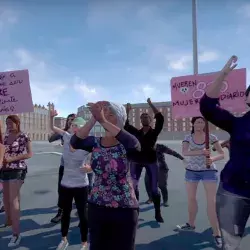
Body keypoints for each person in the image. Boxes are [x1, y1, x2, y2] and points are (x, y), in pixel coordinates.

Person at [70, 101, 140, 250]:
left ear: (120, 119)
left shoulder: (127, 142)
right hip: (97, 205)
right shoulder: (95, 142)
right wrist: (93, 119)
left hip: (125, 207)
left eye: (111, 114)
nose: (105, 116)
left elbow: (135, 145)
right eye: (104, 114)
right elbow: (75, 142)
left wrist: (103, 120)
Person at [200, 55, 250, 250]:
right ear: (246, 99)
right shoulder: (236, 122)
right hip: (233, 192)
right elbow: (207, 107)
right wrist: (223, 75)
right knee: (230, 245)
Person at [176, 116, 224, 248]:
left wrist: (212, 159)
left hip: (209, 171)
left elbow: (221, 153)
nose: (200, 124)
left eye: (202, 122)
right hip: (192, 171)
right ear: (193, 124)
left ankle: (216, 233)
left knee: (211, 202)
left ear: (205, 124)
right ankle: (191, 224)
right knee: (191, 199)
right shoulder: (188, 137)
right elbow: (184, 152)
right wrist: (201, 152)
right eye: (197, 122)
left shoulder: (212, 137)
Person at [50, 112, 90, 250]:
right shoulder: (67, 137)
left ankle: (84, 243)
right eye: (73, 125)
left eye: (78, 126)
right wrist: (51, 117)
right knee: (65, 213)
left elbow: (99, 158)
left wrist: (90, 168)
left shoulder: (87, 142)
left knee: (82, 215)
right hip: (66, 183)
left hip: (81, 184)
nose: (75, 128)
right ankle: (64, 239)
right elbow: (53, 128)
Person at [125, 98, 164, 223]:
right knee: (134, 187)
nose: (145, 118)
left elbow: (161, 118)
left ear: (150, 120)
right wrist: (127, 110)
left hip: (151, 162)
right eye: (143, 117)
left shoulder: (154, 132)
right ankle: (135, 212)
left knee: (154, 189)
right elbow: (125, 125)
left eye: (147, 117)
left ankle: (157, 213)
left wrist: (151, 104)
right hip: (136, 161)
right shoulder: (136, 132)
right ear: (141, 121)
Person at [0, 115, 33, 247]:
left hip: (18, 169)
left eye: (10, 122)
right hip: (4, 170)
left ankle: (16, 234)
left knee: (14, 200)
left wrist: (12, 159)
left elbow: (29, 154)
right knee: (6, 200)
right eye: (6, 122)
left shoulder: (24, 136)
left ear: (17, 123)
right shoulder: (5, 136)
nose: (8, 125)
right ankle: (9, 221)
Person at [49, 113, 76, 223]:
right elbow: (50, 139)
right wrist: (54, 134)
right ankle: (61, 211)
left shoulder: (82, 133)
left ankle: (83, 210)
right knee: (62, 190)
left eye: (73, 119)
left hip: (79, 167)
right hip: (65, 166)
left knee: (81, 190)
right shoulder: (64, 132)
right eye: (69, 120)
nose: (71, 121)